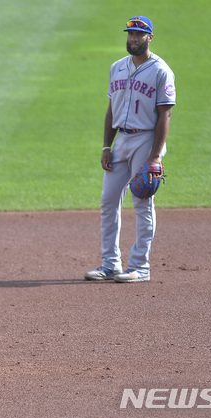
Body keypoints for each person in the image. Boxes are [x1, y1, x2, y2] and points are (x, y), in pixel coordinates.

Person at [85, 16, 175, 283]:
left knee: (142, 202)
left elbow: (165, 116)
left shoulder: (161, 71)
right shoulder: (117, 67)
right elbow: (112, 109)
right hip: (120, 141)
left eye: (139, 34)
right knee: (108, 201)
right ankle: (110, 264)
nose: (133, 38)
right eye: (130, 34)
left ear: (150, 38)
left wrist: (155, 156)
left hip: (146, 141)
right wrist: (106, 146)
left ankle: (140, 267)